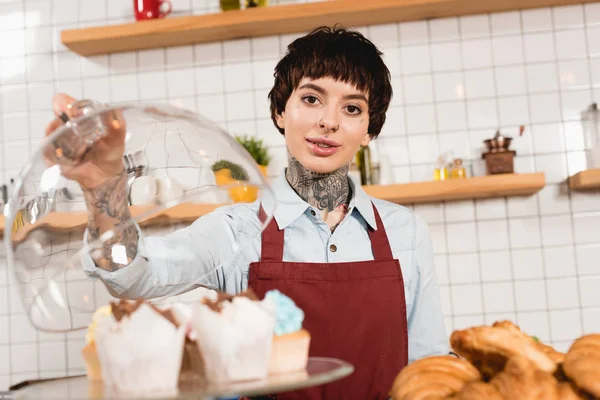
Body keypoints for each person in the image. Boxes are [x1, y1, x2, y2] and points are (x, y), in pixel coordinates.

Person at [46, 26, 448, 399]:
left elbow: (430, 369)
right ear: (280, 112)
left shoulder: (406, 232)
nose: (328, 122)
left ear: (369, 130)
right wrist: (104, 187)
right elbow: (134, 275)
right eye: (311, 99)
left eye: (352, 108)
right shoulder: (237, 231)